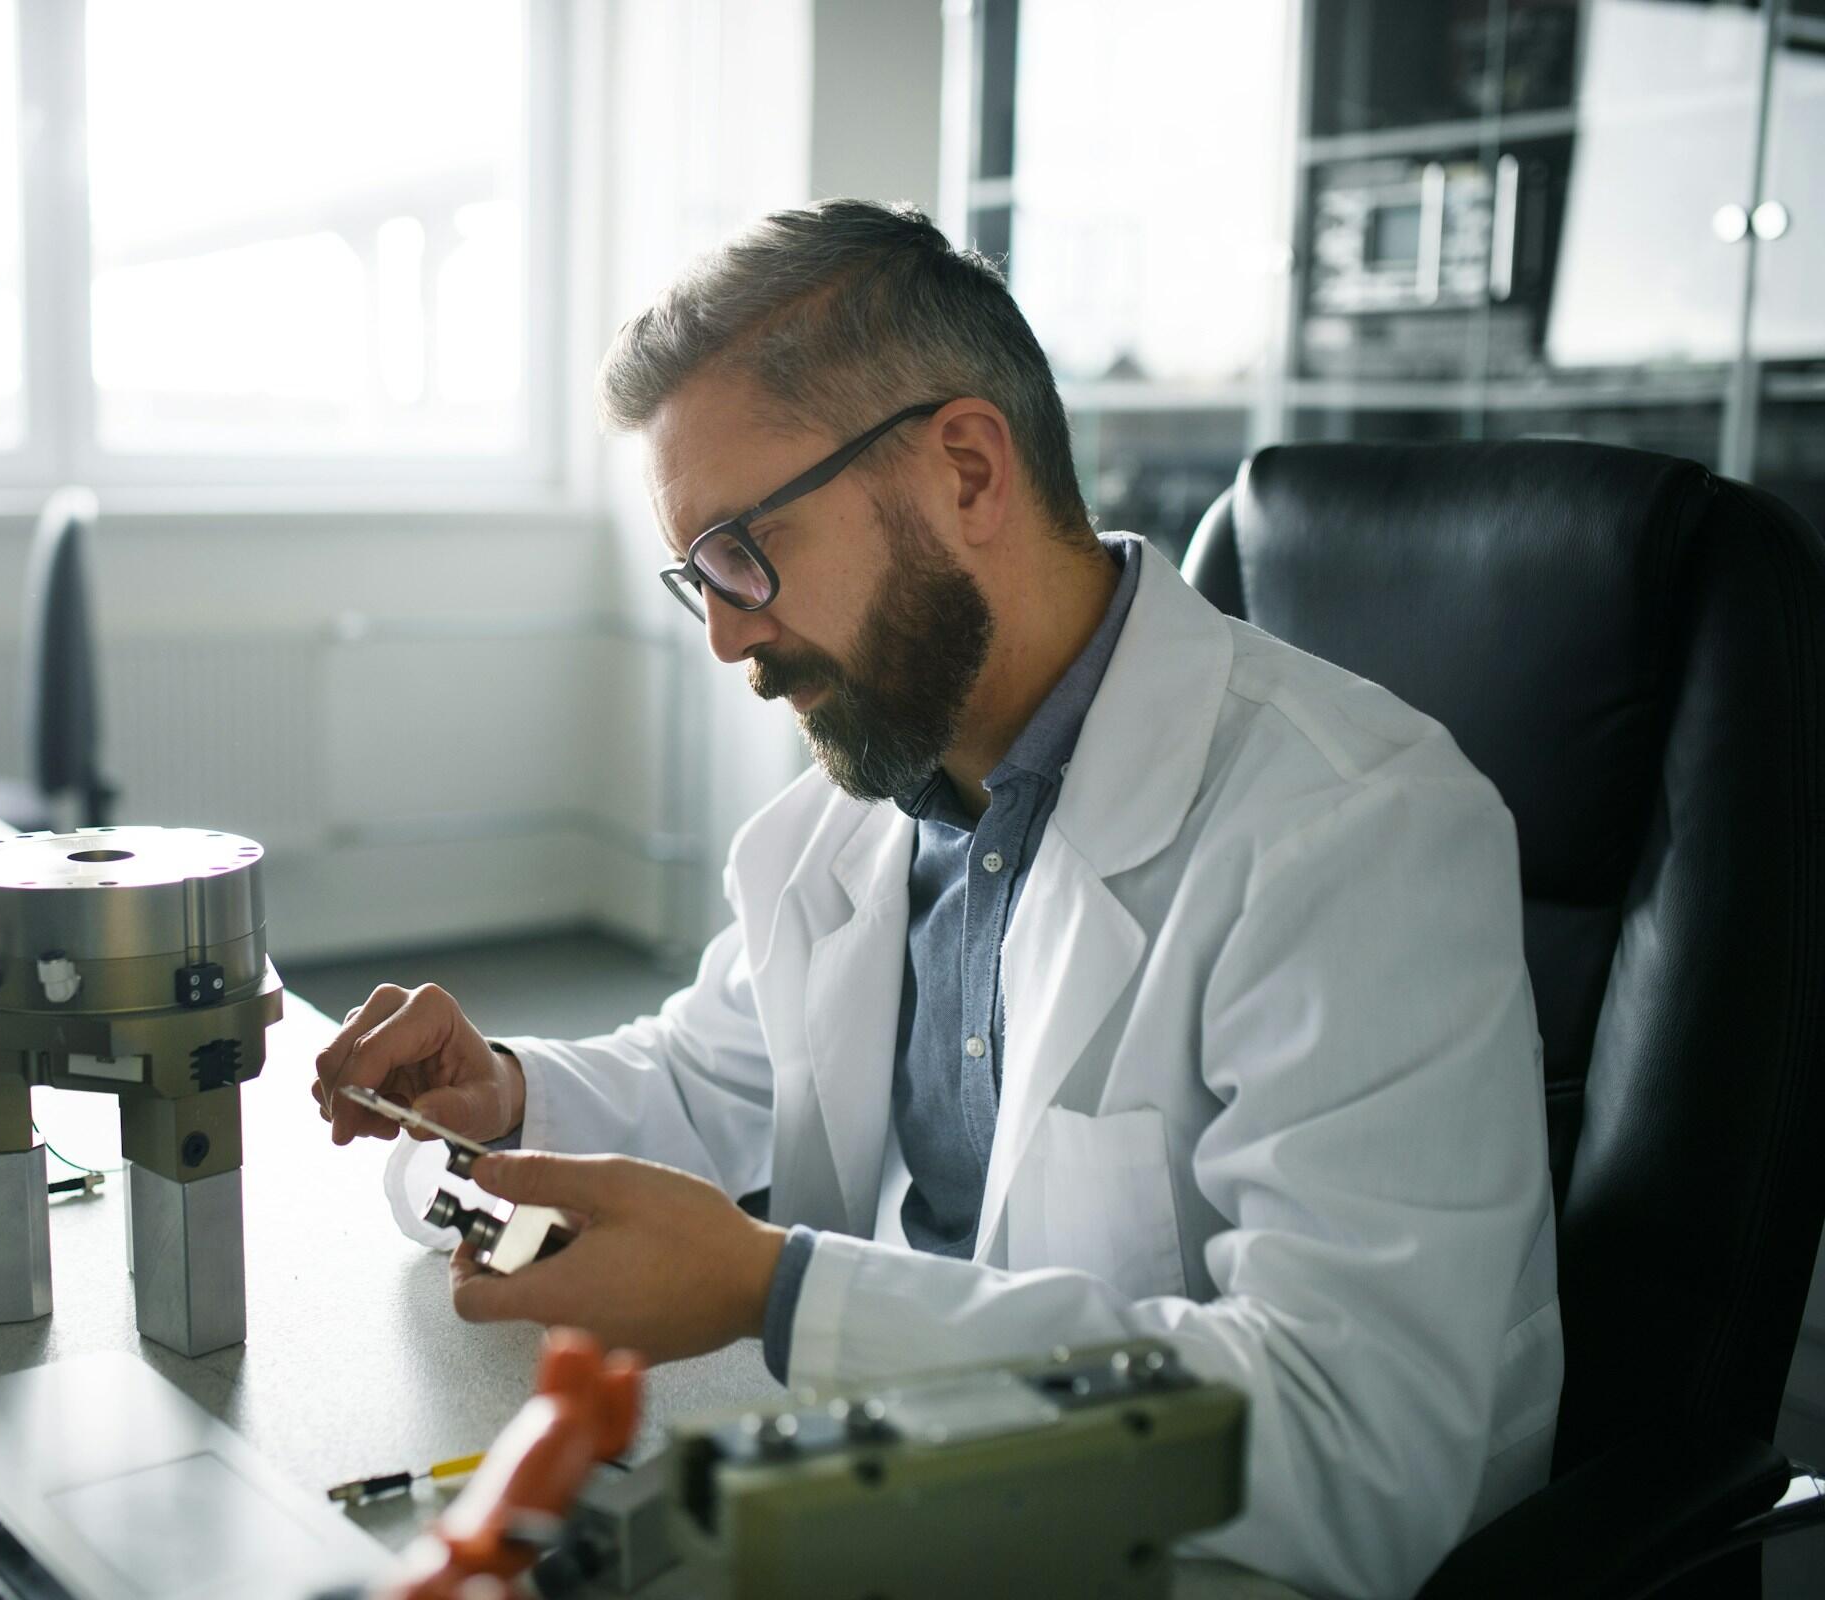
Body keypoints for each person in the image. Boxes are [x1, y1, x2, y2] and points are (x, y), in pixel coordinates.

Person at [310, 200, 1560, 1600]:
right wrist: (509, 1098)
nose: (724, 634)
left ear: (968, 470)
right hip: (916, 1507)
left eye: (744, 550)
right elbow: (713, 1072)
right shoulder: (850, 820)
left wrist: (776, 1294)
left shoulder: (1354, 827)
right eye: (695, 576)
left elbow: (1358, 1444)